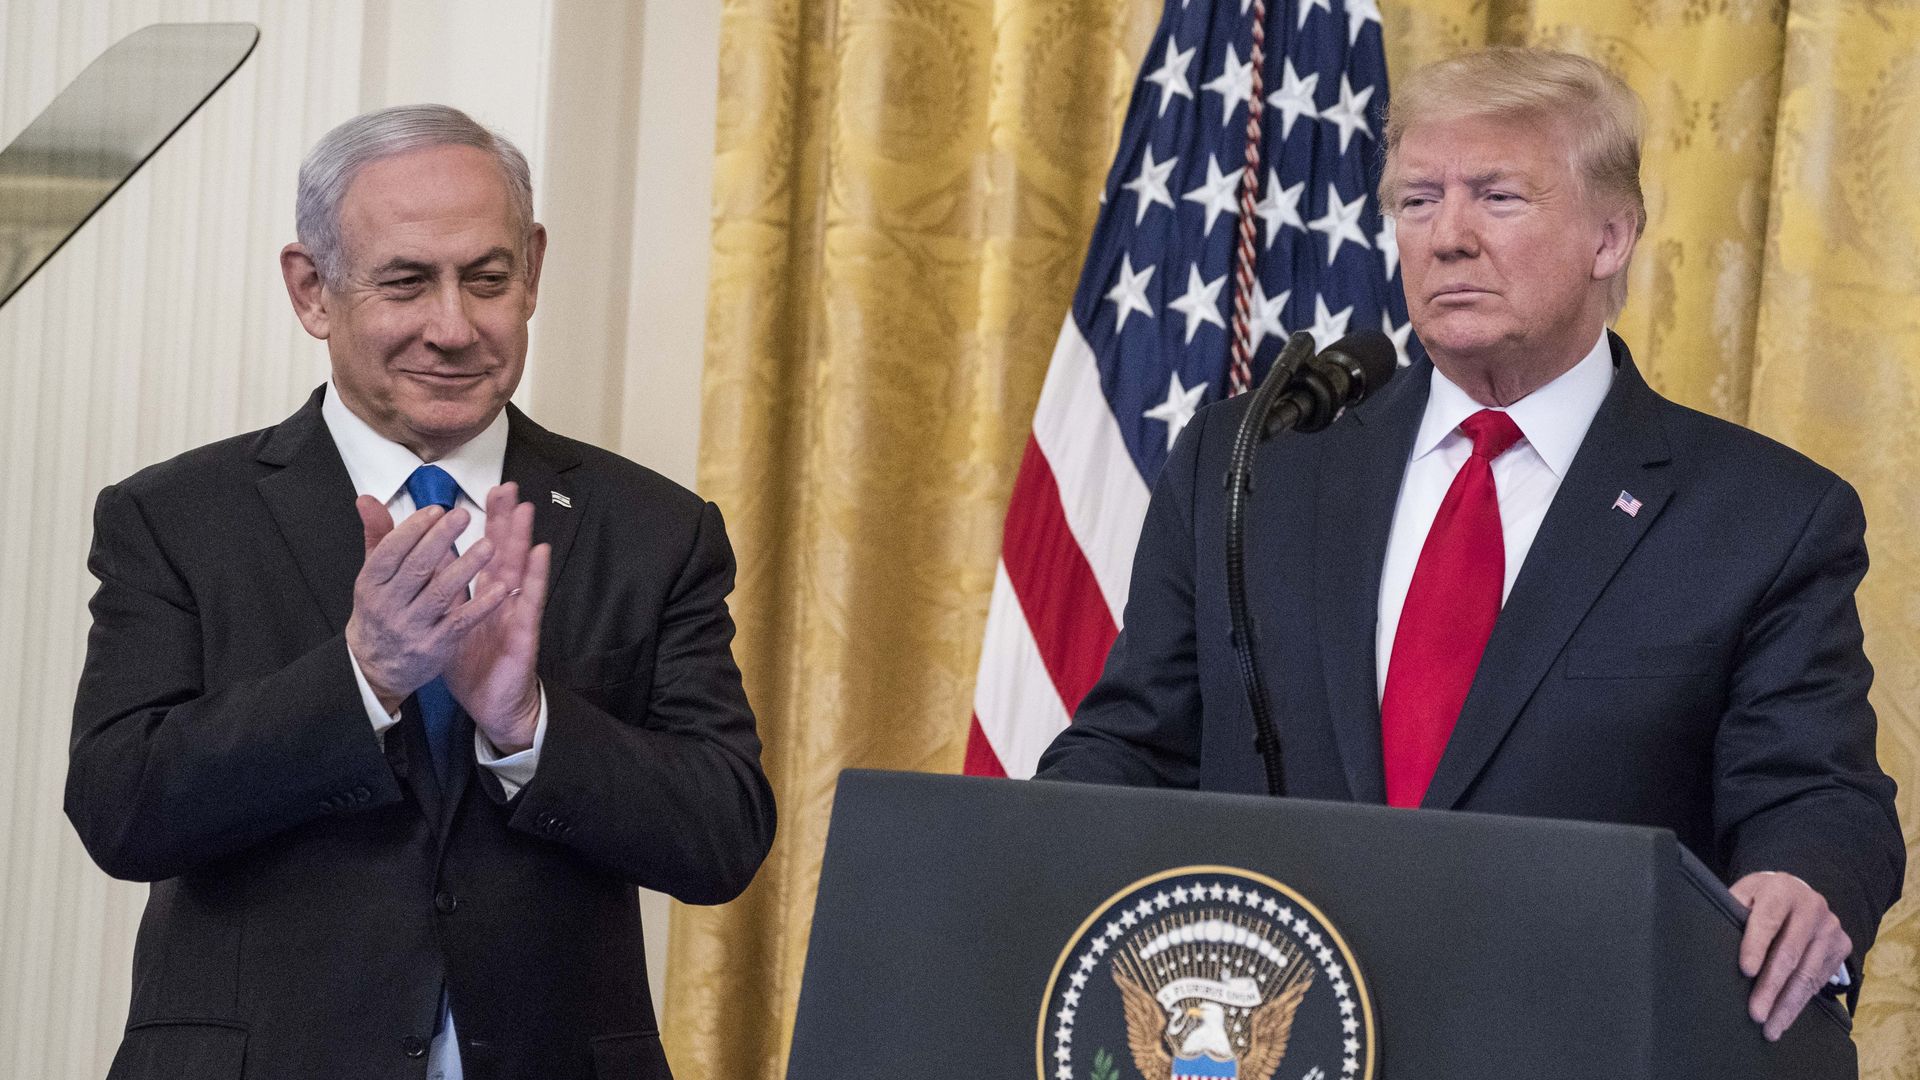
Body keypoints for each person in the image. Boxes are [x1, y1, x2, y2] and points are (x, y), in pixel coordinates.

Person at [1036, 47, 1901, 1042]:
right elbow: (1133, 744)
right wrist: (1011, 864)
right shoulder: (1251, 464)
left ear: (1611, 236)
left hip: (1574, 1035)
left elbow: (1815, 792)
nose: (1447, 236)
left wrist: (1800, 876)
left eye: (1497, 197)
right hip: (1279, 1033)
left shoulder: (1762, 516)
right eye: (1417, 200)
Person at [65, 104, 774, 1079]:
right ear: (313, 290)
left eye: (486, 279)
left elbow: (724, 833)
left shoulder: (653, 529)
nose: (454, 328)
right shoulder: (178, 518)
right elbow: (120, 807)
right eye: (406, 282)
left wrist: (528, 724)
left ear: (531, 268)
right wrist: (363, 678)